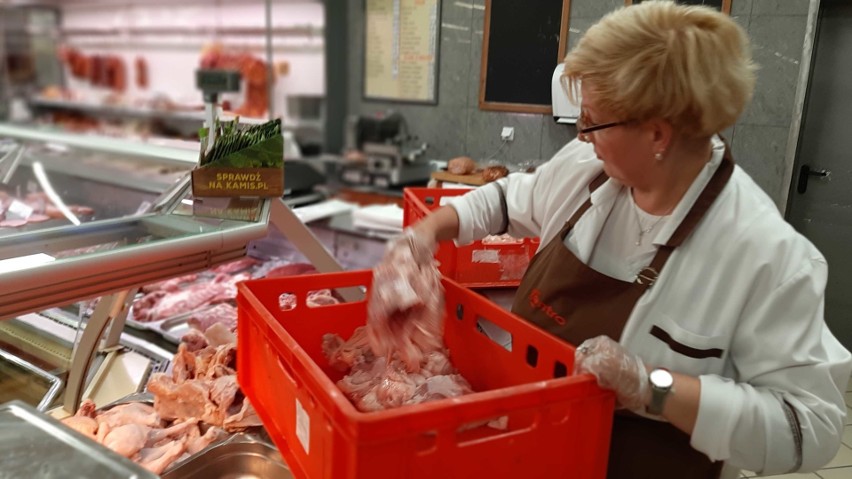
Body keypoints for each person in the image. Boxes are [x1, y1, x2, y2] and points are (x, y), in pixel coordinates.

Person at [371, 2, 852, 478]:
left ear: (658, 134)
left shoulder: (767, 255)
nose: (582, 137)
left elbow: (806, 428)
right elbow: (507, 199)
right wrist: (426, 233)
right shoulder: (589, 170)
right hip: (533, 452)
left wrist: (653, 387)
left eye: (592, 122)